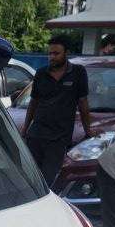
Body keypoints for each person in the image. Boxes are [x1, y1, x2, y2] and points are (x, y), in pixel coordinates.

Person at [22, 35, 91, 186]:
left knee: (47, 181)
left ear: (66, 53)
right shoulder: (41, 74)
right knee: (30, 179)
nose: (51, 57)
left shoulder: (78, 73)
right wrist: (25, 129)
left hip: (58, 138)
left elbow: (83, 104)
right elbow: (33, 102)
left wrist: (88, 131)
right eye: (50, 53)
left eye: (56, 53)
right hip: (36, 135)